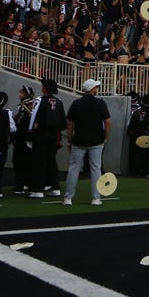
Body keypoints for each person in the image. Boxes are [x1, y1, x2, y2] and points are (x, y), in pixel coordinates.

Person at [63, 78, 110, 206]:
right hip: (96, 141)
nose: (97, 89)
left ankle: (68, 198)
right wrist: (105, 137)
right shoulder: (100, 103)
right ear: (92, 89)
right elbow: (107, 122)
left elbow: (69, 122)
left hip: (78, 140)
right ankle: (96, 198)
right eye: (96, 87)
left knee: (74, 169)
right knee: (96, 169)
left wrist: (70, 139)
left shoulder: (76, 103)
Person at [27, 78, 66, 199]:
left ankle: (38, 190)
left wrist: (30, 133)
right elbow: (63, 121)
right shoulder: (59, 101)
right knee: (51, 161)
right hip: (54, 135)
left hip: (41, 134)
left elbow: (34, 117)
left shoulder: (40, 100)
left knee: (40, 162)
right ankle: (55, 188)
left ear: (45, 88)